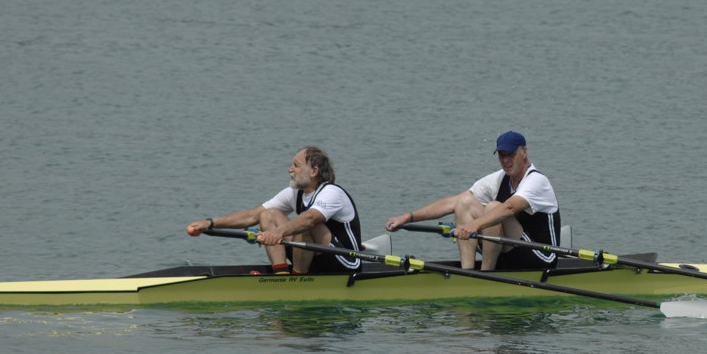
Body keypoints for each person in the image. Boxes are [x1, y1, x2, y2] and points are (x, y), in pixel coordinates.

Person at [385, 131, 561, 271]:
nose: (506, 160)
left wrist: (474, 225)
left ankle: (485, 273)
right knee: (464, 202)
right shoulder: (499, 179)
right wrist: (408, 217)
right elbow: (451, 203)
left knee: (493, 206)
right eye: (501, 155)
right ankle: (467, 271)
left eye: (511, 154)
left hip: (541, 257)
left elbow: (509, 208)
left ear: (524, 152)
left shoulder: (537, 181)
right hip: (509, 251)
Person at [186, 147, 362, 274]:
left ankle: (299, 278)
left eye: (296, 165)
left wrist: (277, 233)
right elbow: (251, 216)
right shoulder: (294, 193)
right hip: (312, 258)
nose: (290, 169)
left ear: (314, 171)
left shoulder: (332, 192)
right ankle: (282, 274)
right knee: (268, 214)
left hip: (344, 262)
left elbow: (310, 219)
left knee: (306, 222)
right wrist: (210, 223)